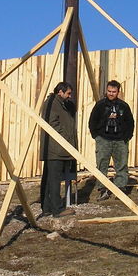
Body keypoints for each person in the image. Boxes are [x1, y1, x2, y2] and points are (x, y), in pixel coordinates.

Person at [88, 80, 135, 201]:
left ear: (118, 92)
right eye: (109, 91)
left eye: (114, 92)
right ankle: (102, 189)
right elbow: (92, 121)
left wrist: (127, 137)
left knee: (121, 165)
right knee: (102, 164)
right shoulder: (100, 105)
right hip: (104, 139)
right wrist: (96, 136)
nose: (111, 94)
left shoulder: (123, 106)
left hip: (120, 140)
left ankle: (120, 188)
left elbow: (130, 122)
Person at [39, 82, 78, 217]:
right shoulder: (52, 103)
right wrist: (66, 137)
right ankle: (57, 209)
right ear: (60, 92)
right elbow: (53, 124)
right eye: (68, 93)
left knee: (50, 179)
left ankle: (47, 207)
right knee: (54, 179)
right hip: (56, 148)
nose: (69, 96)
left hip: (55, 148)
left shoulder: (58, 104)